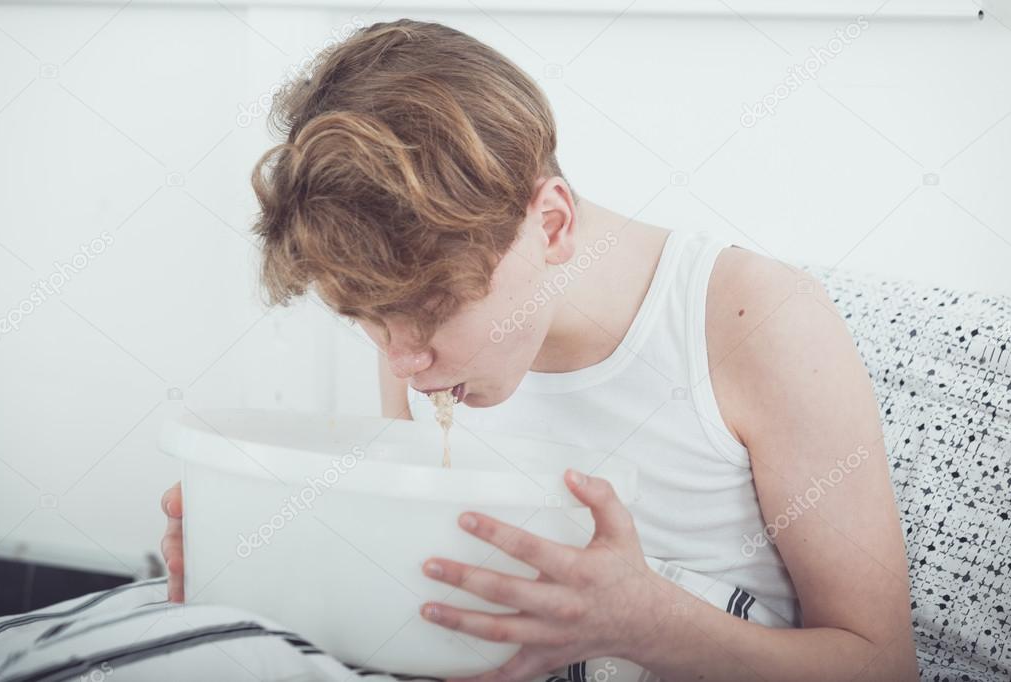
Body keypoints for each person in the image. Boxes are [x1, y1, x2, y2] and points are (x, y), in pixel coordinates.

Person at [160, 18, 918, 682]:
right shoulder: (416, 344)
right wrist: (271, 580)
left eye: (431, 312)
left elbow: (882, 666)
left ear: (551, 225)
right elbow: (418, 605)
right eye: (366, 318)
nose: (402, 365)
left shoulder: (759, 319)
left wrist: (647, 623)